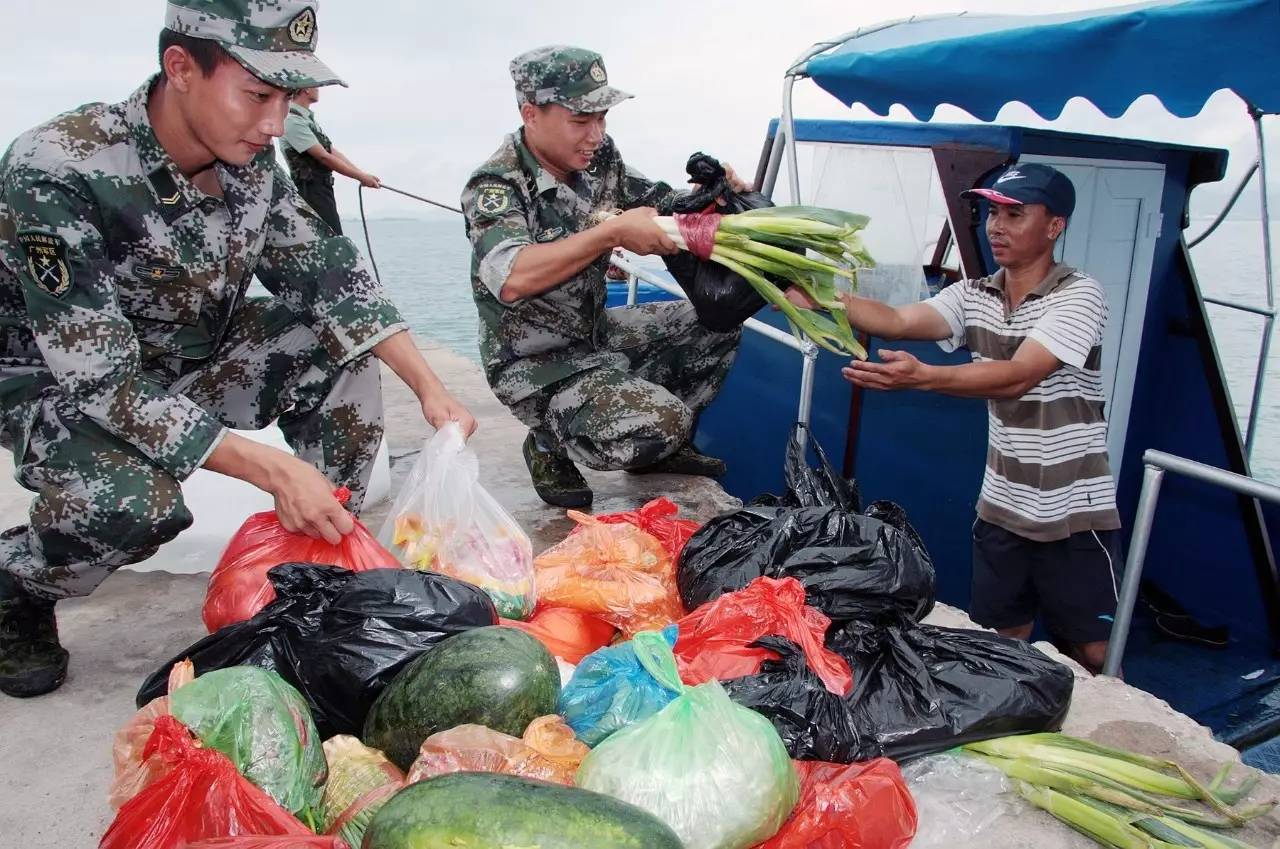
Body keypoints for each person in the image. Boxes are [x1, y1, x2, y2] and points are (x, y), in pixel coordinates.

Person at [0, 0, 475, 698]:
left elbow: (333, 281)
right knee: (134, 504)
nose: (276, 123)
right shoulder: (61, 168)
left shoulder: (252, 160)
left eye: (288, 98)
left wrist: (432, 390)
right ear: (181, 67)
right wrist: (272, 469)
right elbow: (102, 380)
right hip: (60, 388)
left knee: (336, 345)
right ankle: (20, 584)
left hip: (186, 361)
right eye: (258, 94)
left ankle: (314, 560)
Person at [789, 163, 1120, 673]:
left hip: (1072, 509)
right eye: (992, 213)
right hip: (1001, 504)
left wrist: (923, 378)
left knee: (1094, 648)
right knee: (1001, 632)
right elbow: (898, 320)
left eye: (1015, 214)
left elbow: (1018, 375)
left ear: (1054, 226)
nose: (997, 227)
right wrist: (815, 296)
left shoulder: (1079, 294)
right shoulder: (975, 294)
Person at [461, 46, 743, 509]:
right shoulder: (497, 185)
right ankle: (549, 442)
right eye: (581, 120)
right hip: (533, 363)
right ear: (531, 114)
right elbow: (511, 276)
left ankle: (652, 453)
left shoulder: (598, 158)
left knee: (717, 320)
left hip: (594, 335)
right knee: (663, 420)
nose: (596, 134)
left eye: (603, 118)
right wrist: (609, 232)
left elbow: (658, 200)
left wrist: (710, 195)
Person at [280, 85, 380, 234]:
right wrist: (360, 177)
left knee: (333, 235)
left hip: (322, 189)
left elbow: (331, 151)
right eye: (316, 86)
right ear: (306, 89)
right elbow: (323, 156)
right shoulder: (293, 121)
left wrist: (362, 174)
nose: (319, 89)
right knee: (329, 237)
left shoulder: (306, 119)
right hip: (309, 191)